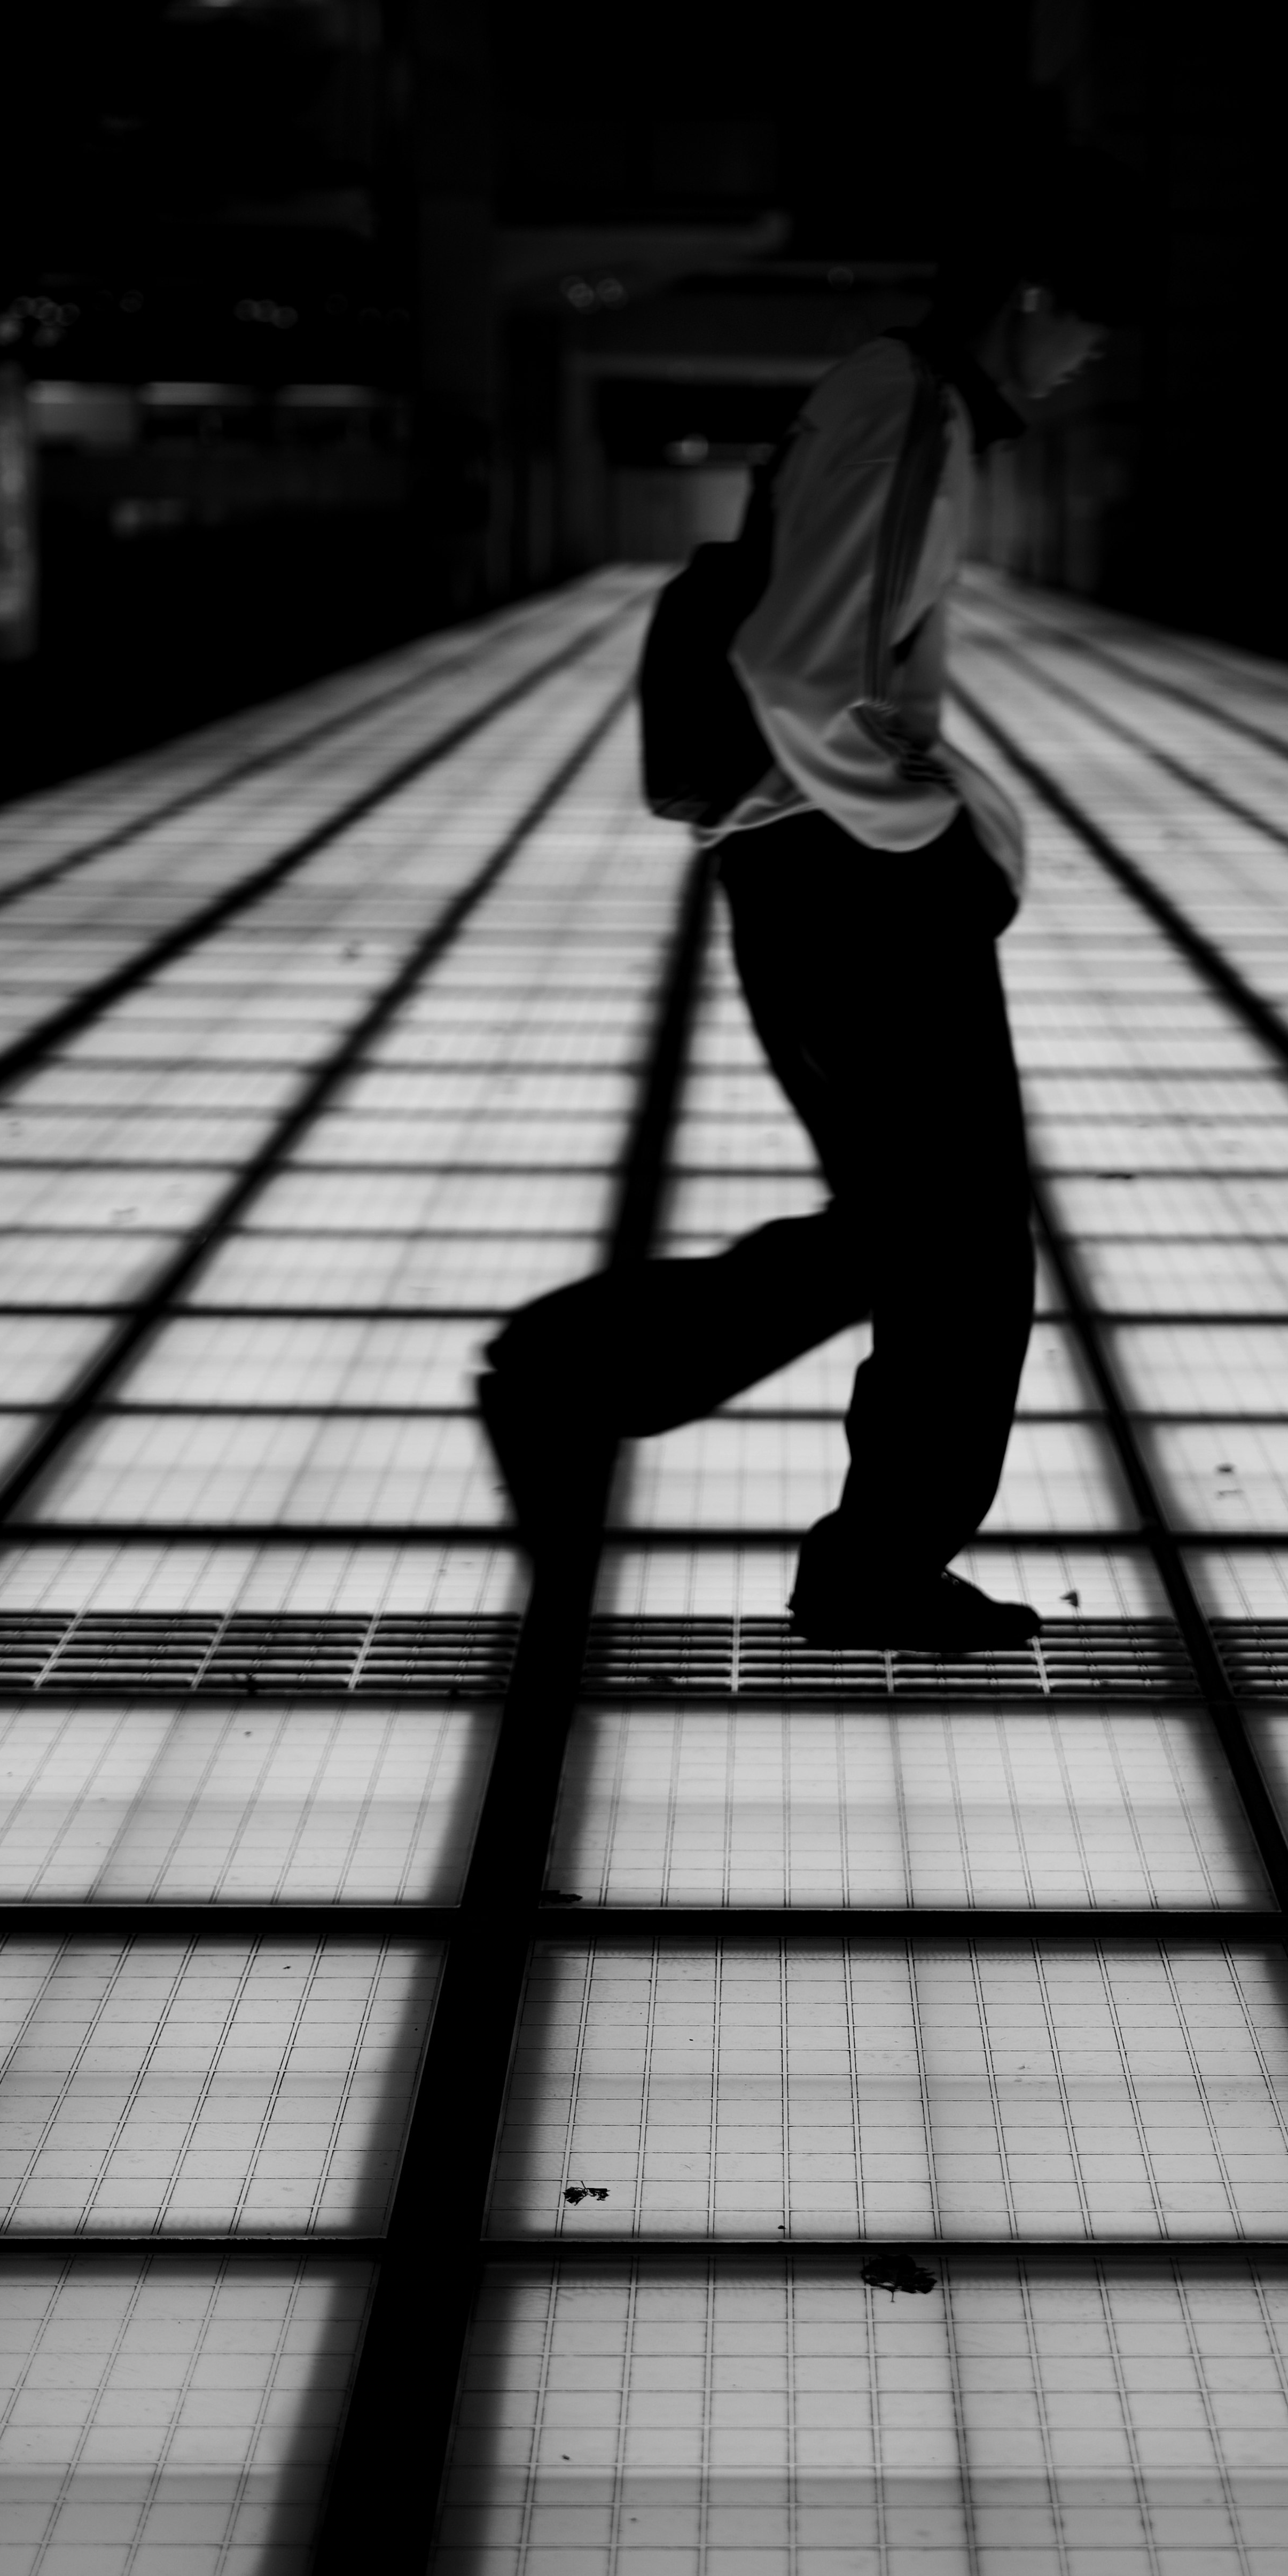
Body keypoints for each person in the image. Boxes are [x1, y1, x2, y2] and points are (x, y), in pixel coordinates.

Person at [477, 143, 1150, 1651]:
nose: (1099, 354)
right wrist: (940, 832)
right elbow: (798, 664)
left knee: (926, 1232)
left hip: (819, 873)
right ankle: (597, 1393)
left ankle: (655, 1429)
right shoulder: (908, 404)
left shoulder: (905, 403)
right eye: (1095, 322)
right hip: (852, 880)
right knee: (956, 1242)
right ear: (1033, 300)